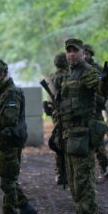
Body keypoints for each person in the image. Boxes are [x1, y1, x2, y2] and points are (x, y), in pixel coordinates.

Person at [57, 39, 108, 214]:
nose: (71, 54)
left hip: (82, 135)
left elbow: (103, 90)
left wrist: (105, 80)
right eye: (68, 51)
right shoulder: (68, 75)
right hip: (70, 135)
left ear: (83, 53)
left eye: (75, 51)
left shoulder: (88, 71)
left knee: (82, 181)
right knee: (75, 181)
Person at [0, 58, 37, 214]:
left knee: (7, 179)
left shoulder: (12, 93)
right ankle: (15, 211)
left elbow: (9, 119)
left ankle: (17, 210)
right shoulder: (2, 92)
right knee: (2, 176)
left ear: (2, 74)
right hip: (3, 141)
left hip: (10, 141)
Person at [83, 44, 108, 174]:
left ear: (91, 55)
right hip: (80, 112)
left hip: (95, 111)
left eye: (87, 53)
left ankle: (103, 166)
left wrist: (103, 96)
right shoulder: (76, 69)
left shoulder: (98, 69)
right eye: (83, 53)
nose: (85, 56)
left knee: (98, 142)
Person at [43, 54, 69, 185]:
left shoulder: (52, 78)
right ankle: (69, 171)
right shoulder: (70, 76)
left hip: (56, 114)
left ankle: (60, 173)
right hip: (69, 113)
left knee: (59, 142)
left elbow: (50, 98)